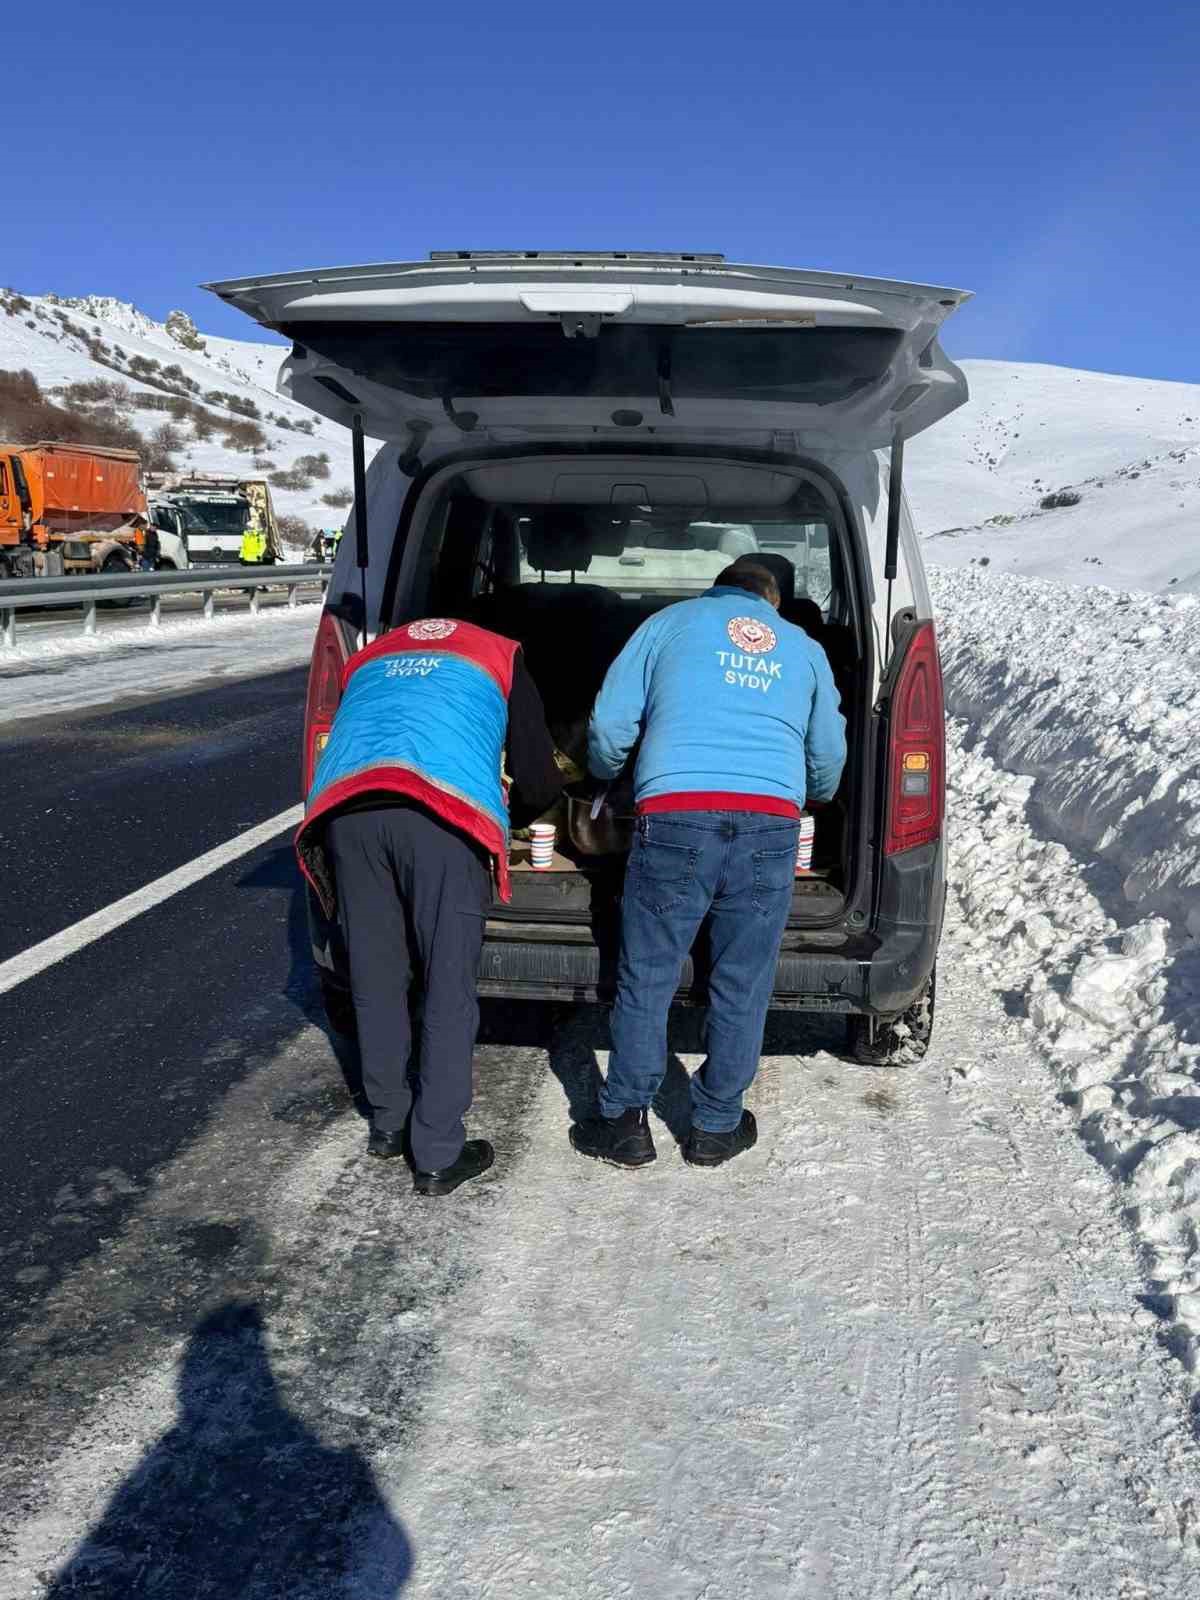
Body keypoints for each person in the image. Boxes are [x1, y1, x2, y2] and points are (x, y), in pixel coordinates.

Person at [573, 561, 847, 1170]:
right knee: (742, 977)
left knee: (648, 973)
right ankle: (717, 1127)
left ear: (717, 590)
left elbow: (610, 723)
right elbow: (828, 751)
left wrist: (603, 771)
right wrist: (816, 793)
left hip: (675, 814)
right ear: (771, 600)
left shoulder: (668, 624)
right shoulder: (802, 648)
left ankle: (624, 1123)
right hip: (771, 822)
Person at [295, 616, 563, 1195]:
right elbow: (540, 775)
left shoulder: (372, 654)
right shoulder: (500, 651)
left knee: (376, 974)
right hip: (442, 815)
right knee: (446, 984)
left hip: (348, 809)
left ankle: (389, 1124)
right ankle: (438, 1151)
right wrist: (523, 809)